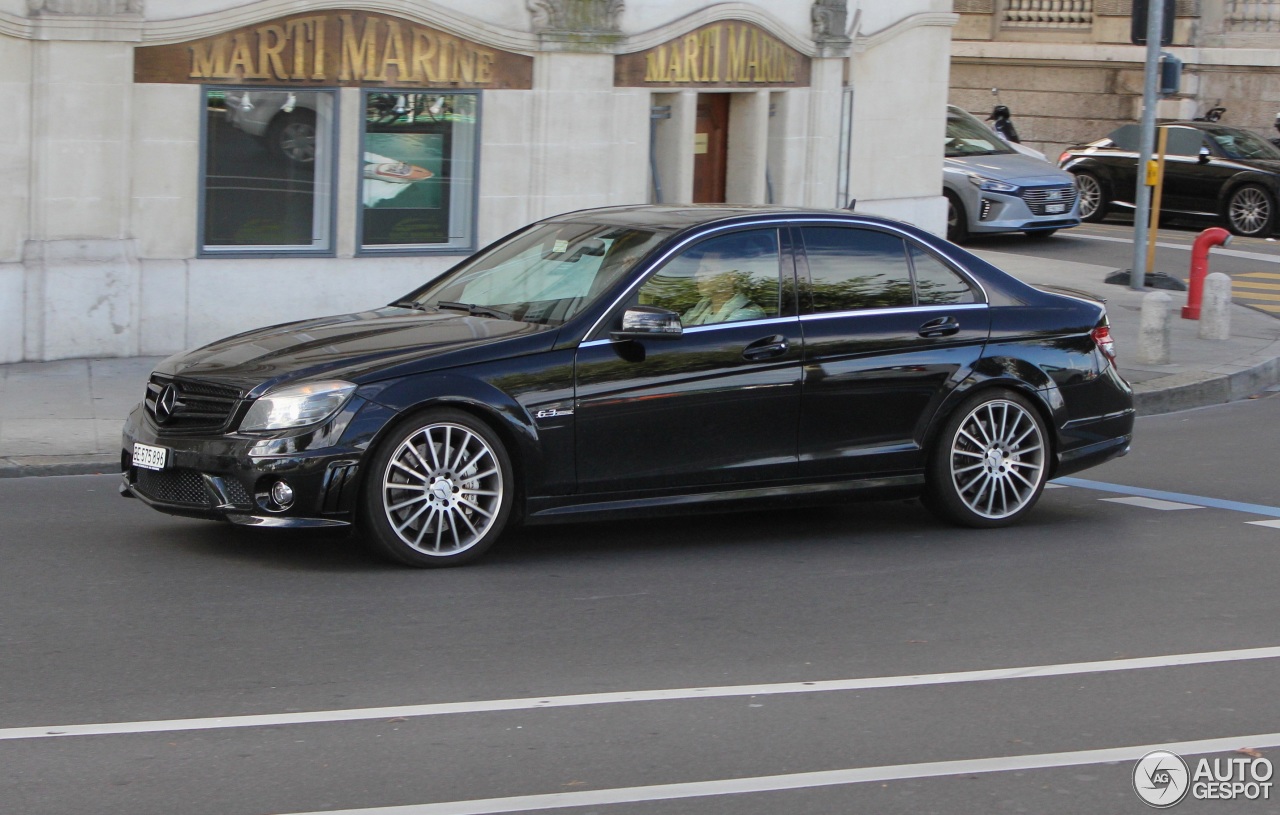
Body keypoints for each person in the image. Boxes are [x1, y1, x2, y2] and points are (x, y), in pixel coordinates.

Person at [681, 251, 766, 325]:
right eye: (700, 268)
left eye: (706, 269)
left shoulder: (747, 314)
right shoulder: (702, 308)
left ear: (730, 278)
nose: (697, 274)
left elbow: (711, 342)